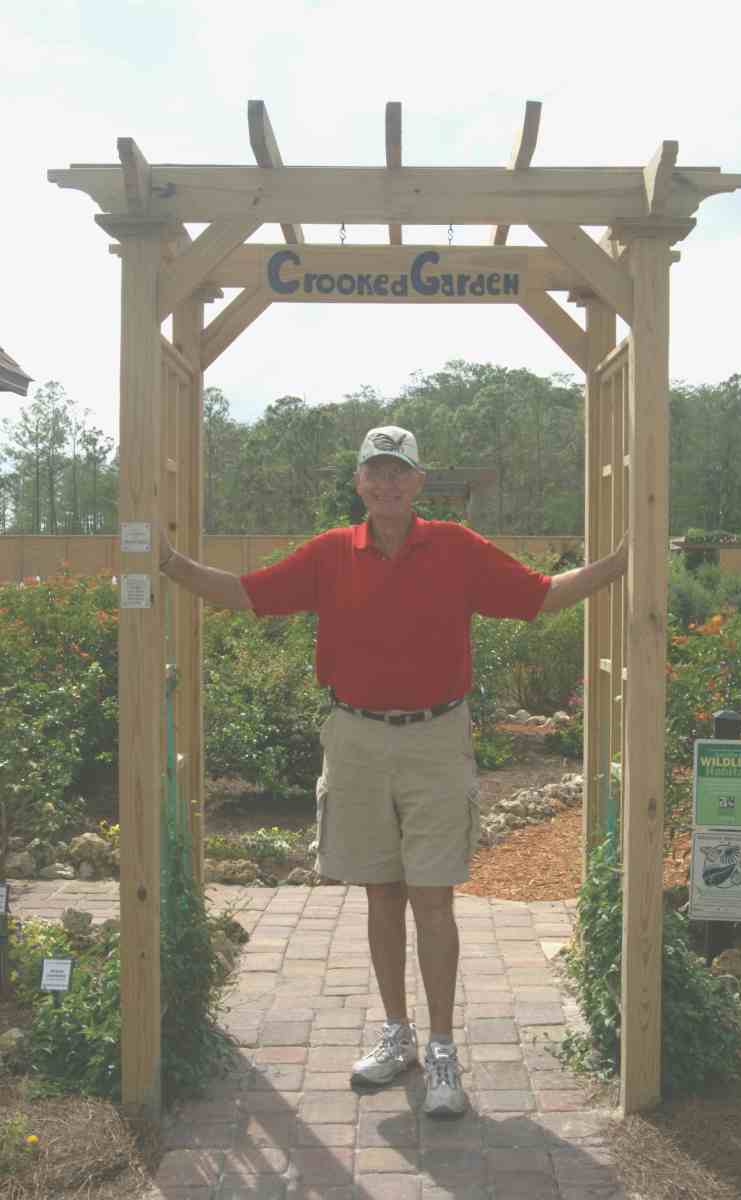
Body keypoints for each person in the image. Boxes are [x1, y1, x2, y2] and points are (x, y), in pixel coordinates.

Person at [159, 424, 628, 1118]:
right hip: (354, 739)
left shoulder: (456, 547)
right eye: (375, 472)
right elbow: (245, 593)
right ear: (359, 483)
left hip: (436, 739)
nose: (387, 483)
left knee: (432, 899)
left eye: (398, 471)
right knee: (382, 895)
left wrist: (618, 564)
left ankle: (441, 1050)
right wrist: (167, 561)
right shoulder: (330, 552)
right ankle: (396, 1034)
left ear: (418, 482)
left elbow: (540, 595)